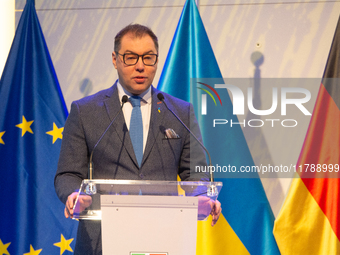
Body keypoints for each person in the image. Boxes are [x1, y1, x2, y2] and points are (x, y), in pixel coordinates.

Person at [54, 24, 221, 255]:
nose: (140, 66)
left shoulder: (180, 112)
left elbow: (194, 172)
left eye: (148, 57)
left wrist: (201, 195)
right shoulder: (85, 111)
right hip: (101, 241)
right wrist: (74, 194)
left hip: (164, 240)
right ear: (115, 59)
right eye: (130, 57)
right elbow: (68, 173)